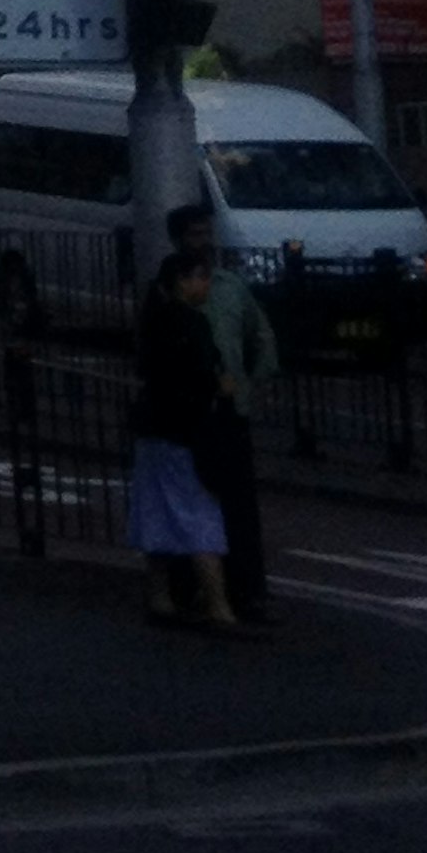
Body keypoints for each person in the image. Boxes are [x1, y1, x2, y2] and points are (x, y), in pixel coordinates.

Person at [128, 218, 237, 633]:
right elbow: (203, 376)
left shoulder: (154, 319)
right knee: (200, 516)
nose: (205, 286)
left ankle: (161, 596)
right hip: (185, 432)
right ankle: (218, 604)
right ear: (183, 281)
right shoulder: (191, 324)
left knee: (155, 512)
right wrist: (218, 386)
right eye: (201, 279)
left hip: (153, 428)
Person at [193, 213, 282, 631]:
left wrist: (252, 385)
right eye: (194, 235)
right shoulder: (173, 289)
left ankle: (248, 590)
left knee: (239, 505)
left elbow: (261, 337)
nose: (203, 242)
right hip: (193, 414)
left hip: (230, 412)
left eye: (205, 233)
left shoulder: (230, 287)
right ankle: (210, 588)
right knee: (201, 503)